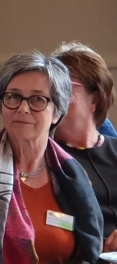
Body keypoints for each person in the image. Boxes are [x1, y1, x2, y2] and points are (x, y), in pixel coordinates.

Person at [0, 52, 103, 264]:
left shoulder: (72, 176)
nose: (23, 108)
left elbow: (88, 250)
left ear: (57, 112)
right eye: (13, 97)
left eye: (37, 99)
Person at [52, 42, 117, 252]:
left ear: (94, 99)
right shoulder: (47, 158)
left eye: (64, 86)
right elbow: (49, 220)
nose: (53, 95)